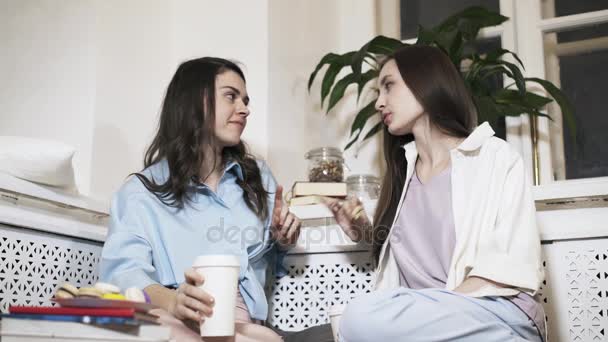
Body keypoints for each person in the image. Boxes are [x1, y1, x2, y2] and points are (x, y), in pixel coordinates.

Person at [322, 45, 546, 341]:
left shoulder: (495, 157)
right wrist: (363, 229)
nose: (379, 103)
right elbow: (405, 259)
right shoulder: (401, 180)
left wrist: (439, 314)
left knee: (358, 317)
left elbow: (509, 263)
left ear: (425, 81)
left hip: (494, 312)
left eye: (388, 86)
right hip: (429, 325)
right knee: (355, 318)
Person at [99, 57, 301, 341]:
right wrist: (172, 301)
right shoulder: (140, 193)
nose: (244, 109)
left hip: (247, 324)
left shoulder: (258, 178)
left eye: (245, 100)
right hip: (176, 322)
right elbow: (123, 275)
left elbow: (272, 265)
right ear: (194, 101)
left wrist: (282, 238)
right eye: (231, 96)